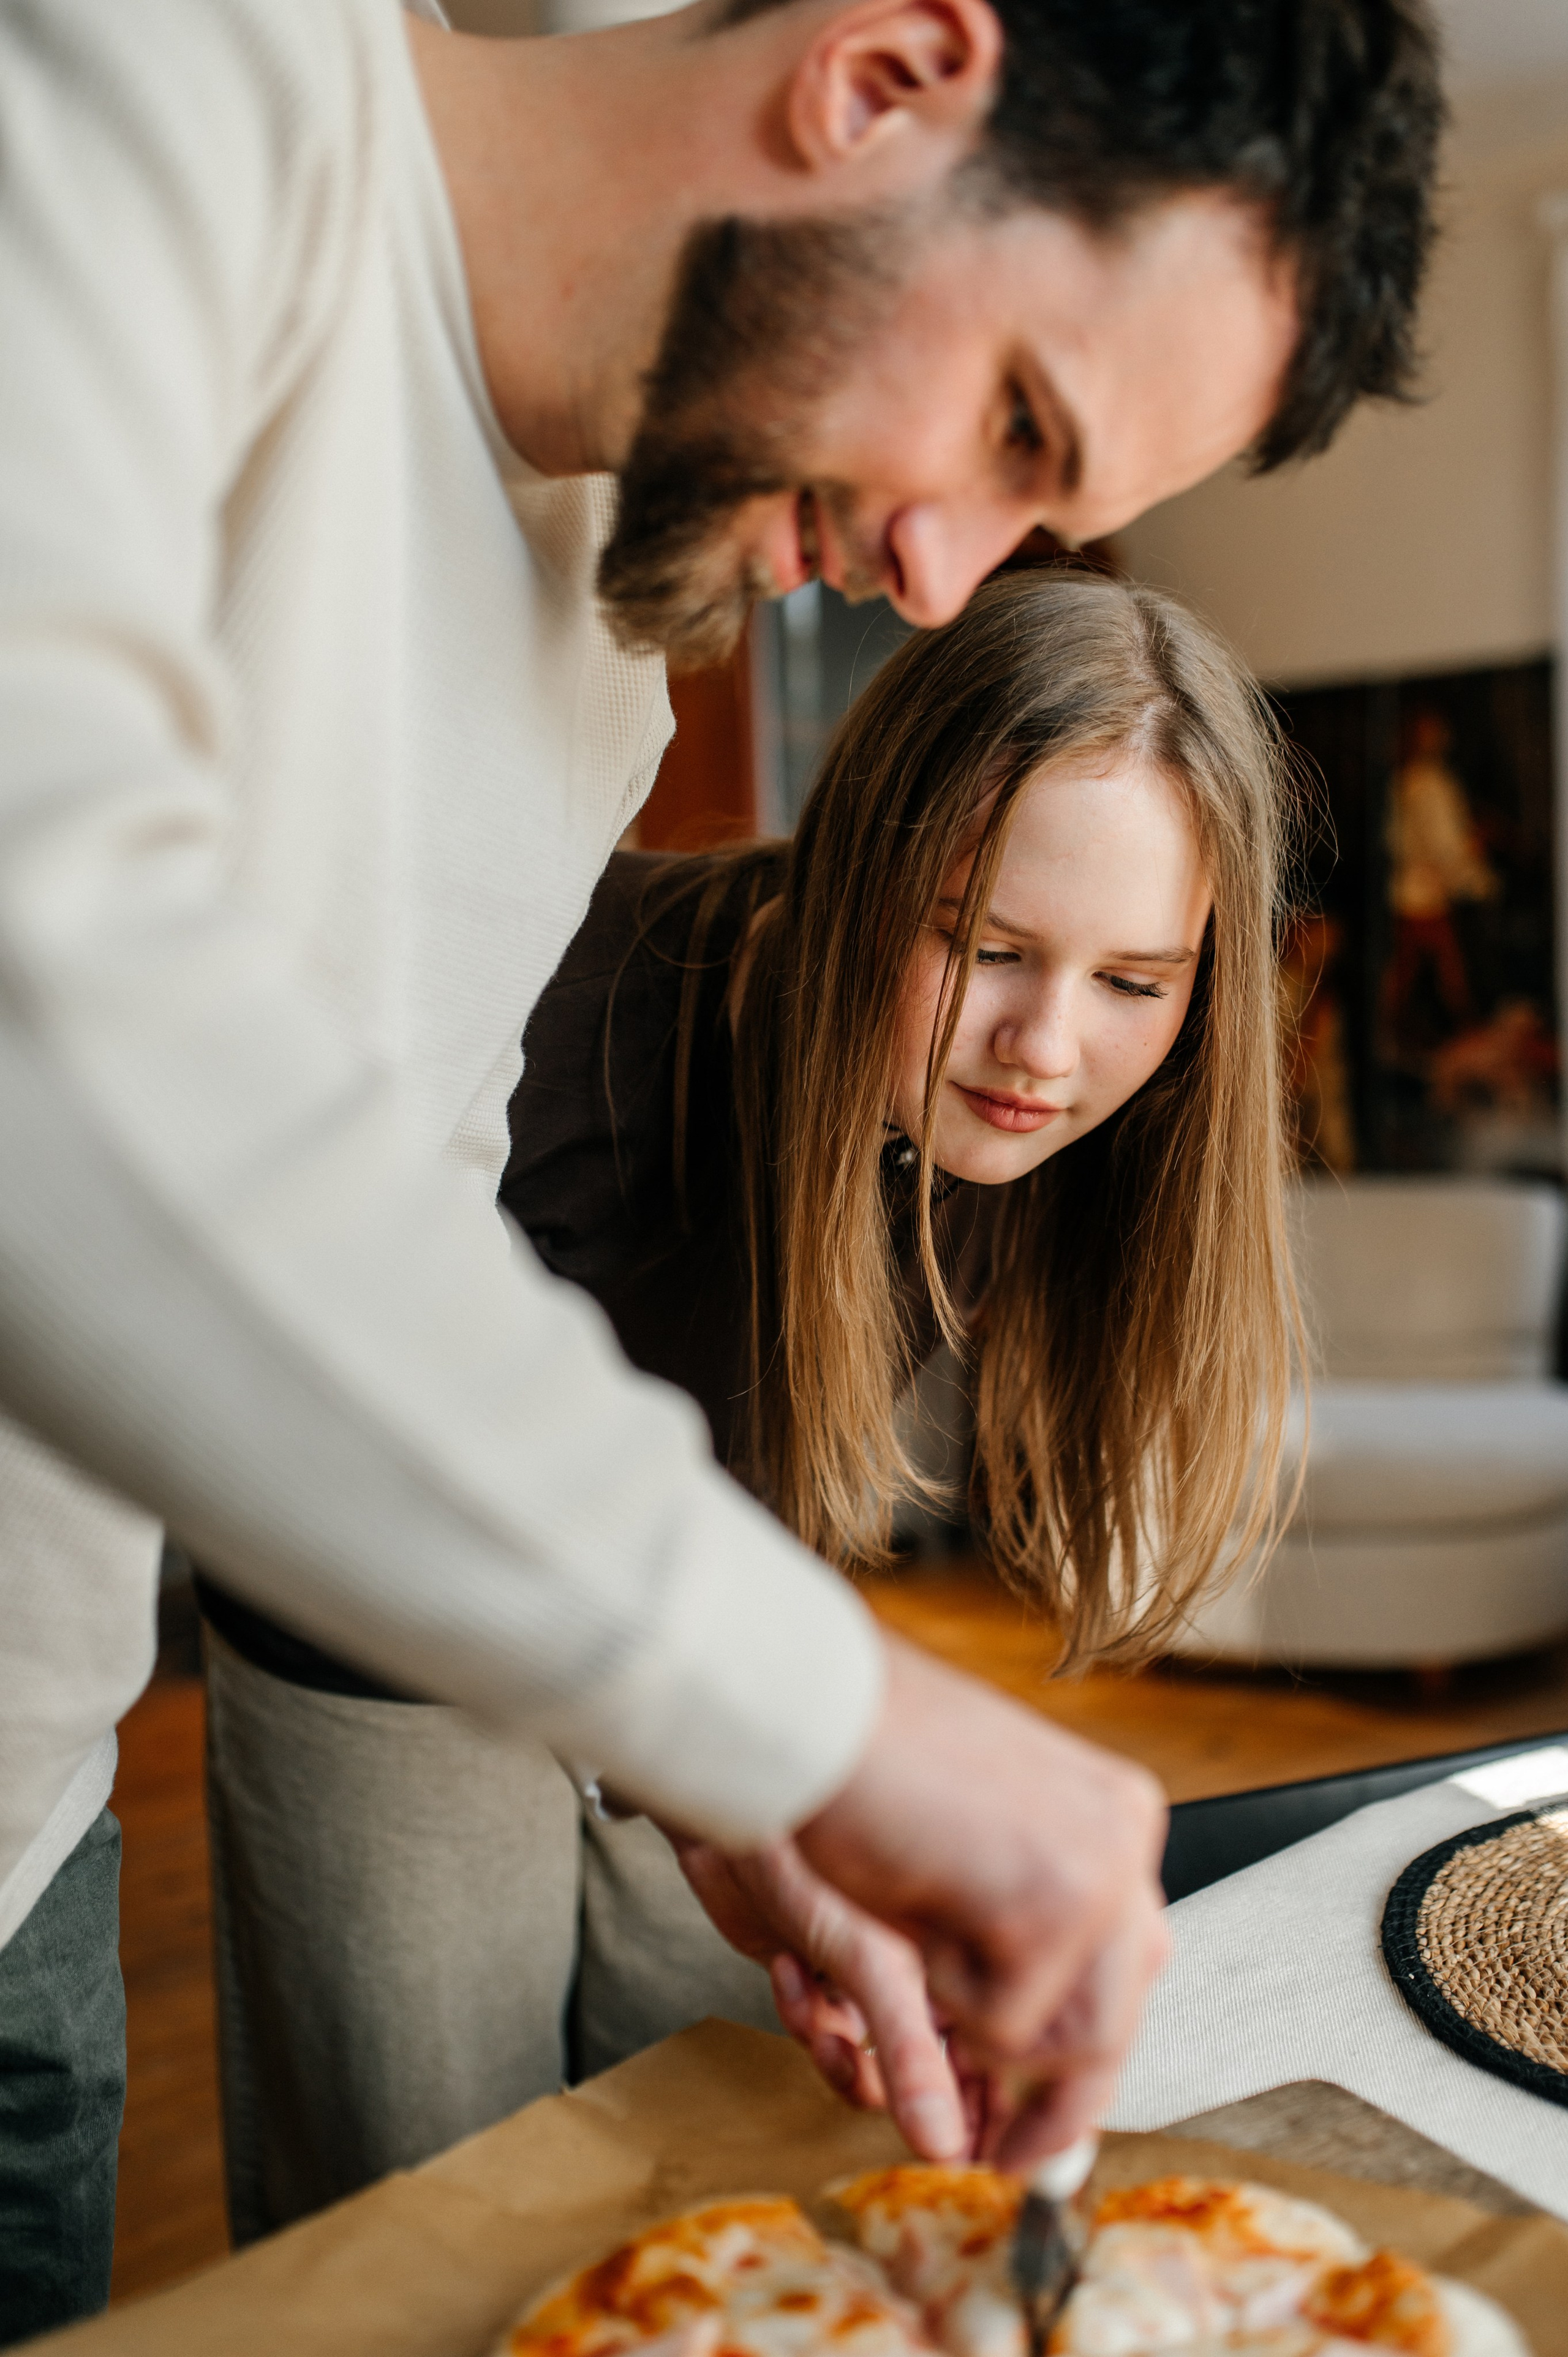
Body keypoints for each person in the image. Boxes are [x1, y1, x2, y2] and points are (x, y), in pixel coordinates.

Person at [0, 0, 1439, 2331]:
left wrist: (721, 1782)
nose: (954, 577)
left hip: (26, 1812)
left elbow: (385, 1217)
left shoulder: (605, 643)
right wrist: (826, 1710)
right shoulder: (162, 82)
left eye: (1044, 511)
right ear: (884, 78)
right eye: (1012, 420)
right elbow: (45, 995)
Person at [200, 565, 1300, 2234]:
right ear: (864, 869)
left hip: (686, 1607)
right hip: (383, 1611)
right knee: (425, 2211)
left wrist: (723, 1780)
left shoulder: (1057, 1127)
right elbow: (314, 1401)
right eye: (982, 945)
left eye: (1133, 982)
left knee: (708, 2133)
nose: (1045, 1049)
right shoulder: (569, 1024)